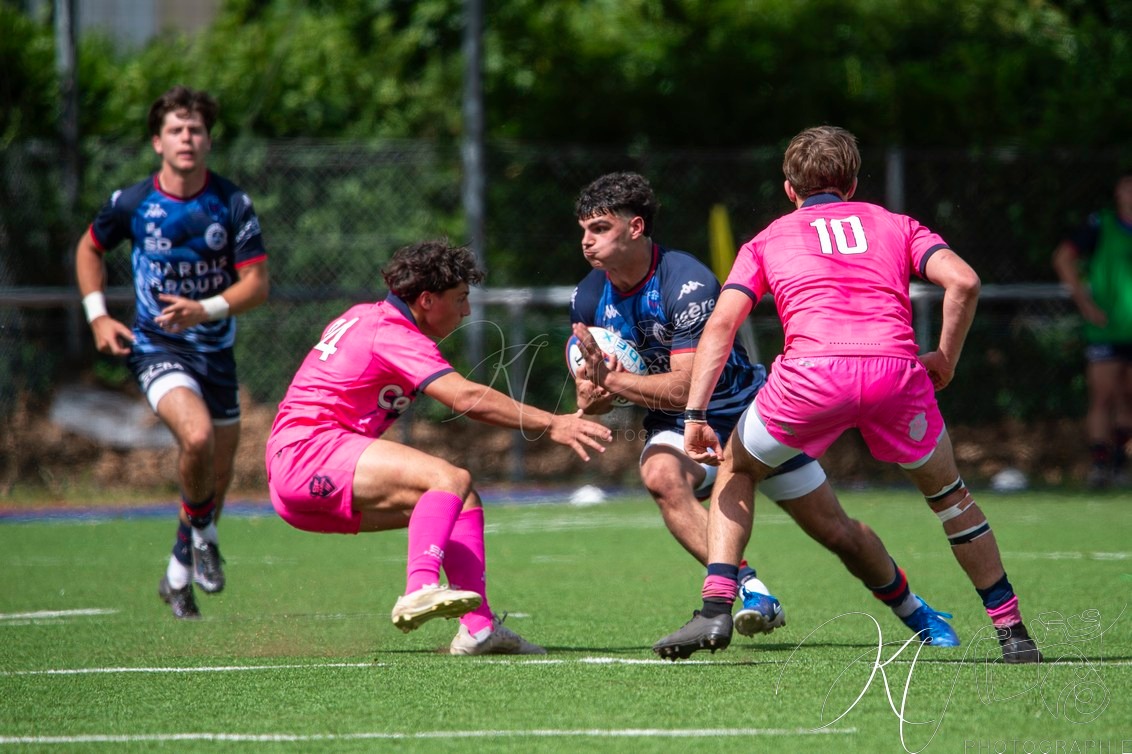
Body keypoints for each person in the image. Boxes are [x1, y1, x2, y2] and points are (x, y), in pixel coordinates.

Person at [653, 127, 1042, 664]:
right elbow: (965, 282)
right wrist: (945, 359)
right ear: (853, 183)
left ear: (789, 189)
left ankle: (717, 606)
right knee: (951, 498)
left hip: (810, 378)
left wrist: (696, 413)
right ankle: (1012, 632)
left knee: (738, 468)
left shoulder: (767, 239)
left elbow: (721, 325)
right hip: (895, 374)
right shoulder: (897, 224)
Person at [570, 171, 959, 652]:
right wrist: (592, 394)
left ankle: (915, 610)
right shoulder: (587, 297)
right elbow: (591, 397)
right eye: (584, 230)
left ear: (636, 227)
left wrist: (611, 381)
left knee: (837, 533)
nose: (587, 241)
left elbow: (684, 387)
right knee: (661, 477)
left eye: (600, 228)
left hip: (749, 414)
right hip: (679, 425)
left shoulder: (686, 283)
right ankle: (749, 587)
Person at [266, 239, 611, 656]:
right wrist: (553, 422)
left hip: (296, 478)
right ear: (427, 300)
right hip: (309, 456)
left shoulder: (364, 316)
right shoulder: (391, 333)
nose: (466, 311)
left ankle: (479, 629)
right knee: (448, 478)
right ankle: (420, 587)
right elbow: (465, 398)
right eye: (460, 298)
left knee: (463, 499)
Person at [75, 85, 270, 620]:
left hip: (215, 352)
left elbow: (256, 285)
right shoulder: (133, 202)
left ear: (208, 140)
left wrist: (203, 309)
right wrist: (98, 315)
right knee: (197, 436)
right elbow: (89, 247)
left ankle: (178, 576)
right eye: (176, 130)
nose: (187, 138)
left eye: (196, 129)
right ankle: (205, 535)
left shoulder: (231, 203)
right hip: (156, 346)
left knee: (216, 473)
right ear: (157, 142)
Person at [1052, 168, 1132, 489]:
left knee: (1128, 396)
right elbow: (1063, 258)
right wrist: (1085, 304)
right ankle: (1100, 465)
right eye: (1128, 188)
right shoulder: (1101, 225)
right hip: (1107, 328)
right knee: (1103, 395)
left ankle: (1120, 463)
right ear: (1118, 193)